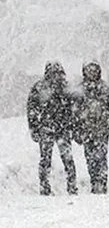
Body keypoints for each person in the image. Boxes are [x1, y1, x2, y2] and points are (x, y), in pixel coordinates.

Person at [27, 62, 78, 195]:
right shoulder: (40, 87)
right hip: (48, 128)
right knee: (46, 159)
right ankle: (45, 187)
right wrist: (34, 127)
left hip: (61, 128)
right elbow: (32, 109)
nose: (56, 76)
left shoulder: (65, 88)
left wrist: (73, 125)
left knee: (67, 159)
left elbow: (74, 109)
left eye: (58, 73)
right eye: (53, 73)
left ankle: (71, 186)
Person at [73, 62, 109, 194]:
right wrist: (76, 131)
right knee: (90, 159)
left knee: (102, 158)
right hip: (86, 131)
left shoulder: (106, 89)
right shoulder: (79, 90)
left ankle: (102, 184)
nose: (92, 73)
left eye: (94, 70)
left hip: (102, 131)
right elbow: (74, 113)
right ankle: (94, 182)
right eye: (89, 70)